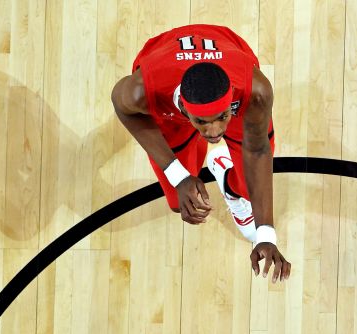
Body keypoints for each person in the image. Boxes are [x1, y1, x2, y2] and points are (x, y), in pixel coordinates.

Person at [112, 24, 291, 283]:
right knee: (179, 202)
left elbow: (257, 148)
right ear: (184, 109)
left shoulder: (255, 91)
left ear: (230, 104)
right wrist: (178, 176)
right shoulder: (144, 90)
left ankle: (229, 182)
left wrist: (266, 234)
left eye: (222, 117)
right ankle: (200, 147)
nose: (214, 131)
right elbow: (121, 105)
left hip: (229, 54)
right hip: (163, 64)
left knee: (248, 186)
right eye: (202, 122)